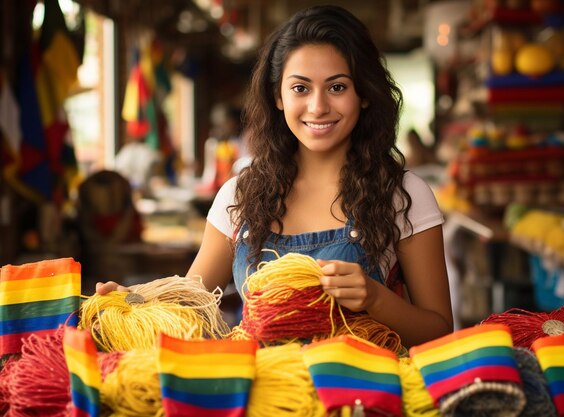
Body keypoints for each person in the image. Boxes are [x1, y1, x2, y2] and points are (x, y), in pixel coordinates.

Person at [97, 5, 453, 348]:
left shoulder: (403, 194)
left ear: (363, 94)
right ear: (278, 96)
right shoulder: (240, 195)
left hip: (359, 403)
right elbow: (191, 303)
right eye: (301, 88)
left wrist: (376, 299)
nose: (318, 107)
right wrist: (131, 302)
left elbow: (439, 330)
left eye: (337, 87)